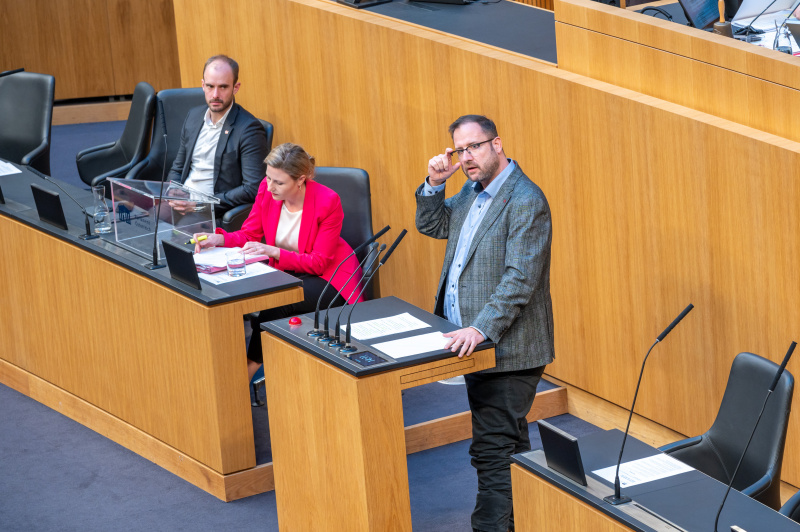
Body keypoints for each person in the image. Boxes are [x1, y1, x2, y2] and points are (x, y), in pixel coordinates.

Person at [415, 115, 555, 532]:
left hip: (509, 347)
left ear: (498, 144)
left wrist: (480, 328)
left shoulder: (525, 199)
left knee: (492, 447)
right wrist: (435, 184)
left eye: (474, 147)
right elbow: (433, 224)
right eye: (460, 150)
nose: (467, 158)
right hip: (476, 345)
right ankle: (530, 517)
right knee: (510, 441)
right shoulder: (470, 192)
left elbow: (520, 279)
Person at [193, 143, 363, 380]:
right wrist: (219, 238)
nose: (269, 186)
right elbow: (250, 234)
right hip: (290, 271)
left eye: (279, 182)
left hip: (330, 277)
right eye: (268, 178)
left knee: (279, 301)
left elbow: (318, 263)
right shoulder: (267, 189)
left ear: (300, 180)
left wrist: (273, 251)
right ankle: (237, 370)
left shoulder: (327, 201)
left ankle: (245, 372)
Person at [168, 54, 268, 215]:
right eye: (210, 86)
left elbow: (252, 188)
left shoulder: (249, 129)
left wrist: (201, 205)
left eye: (223, 87)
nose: (215, 95)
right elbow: (178, 168)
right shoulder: (193, 117)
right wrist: (173, 192)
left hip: (211, 213)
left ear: (236, 87)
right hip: (181, 207)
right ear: (202, 85)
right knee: (139, 224)